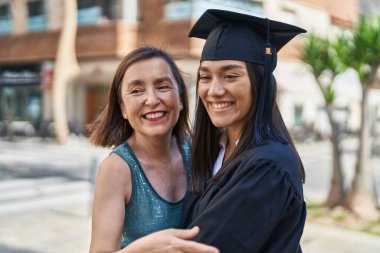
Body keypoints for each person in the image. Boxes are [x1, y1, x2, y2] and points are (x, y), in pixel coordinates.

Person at [180, 9, 307, 252]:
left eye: (230, 76)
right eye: (205, 77)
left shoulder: (268, 165)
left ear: (259, 82)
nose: (214, 90)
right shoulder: (215, 150)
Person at [87, 45, 218, 253]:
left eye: (163, 86)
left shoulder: (199, 152)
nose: (152, 100)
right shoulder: (117, 169)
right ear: (123, 108)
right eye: (137, 90)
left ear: (181, 99)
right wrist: (146, 249)